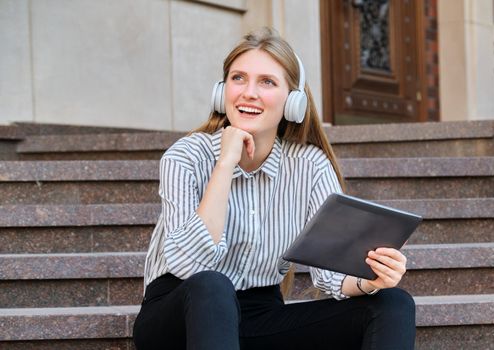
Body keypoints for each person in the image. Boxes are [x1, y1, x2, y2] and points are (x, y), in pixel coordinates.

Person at [133, 27, 415, 350]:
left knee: (392, 304)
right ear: (221, 91)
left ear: (293, 102)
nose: (248, 93)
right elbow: (188, 265)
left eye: (266, 82)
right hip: (178, 313)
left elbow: (331, 276)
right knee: (212, 286)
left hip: (259, 315)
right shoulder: (185, 157)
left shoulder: (309, 166)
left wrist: (370, 280)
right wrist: (225, 164)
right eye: (238, 78)